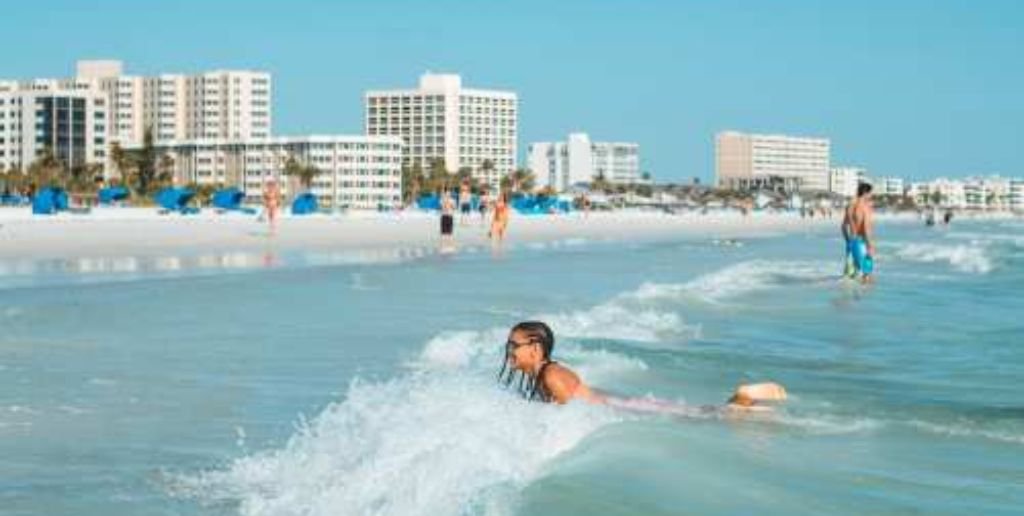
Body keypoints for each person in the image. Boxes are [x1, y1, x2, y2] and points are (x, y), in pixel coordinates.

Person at [498, 321, 788, 411]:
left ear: (535, 349)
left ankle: (741, 401)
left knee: (699, 415)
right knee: (696, 413)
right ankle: (740, 404)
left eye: (514, 346)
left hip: (626, 407)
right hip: (622, 402)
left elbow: (570, 415)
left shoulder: (552, 377)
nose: (509, 351)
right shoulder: (546, 373)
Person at [841, 182, 876, 282]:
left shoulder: (850, 206)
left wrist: (848, 241)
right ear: (865, 193)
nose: (871, 196)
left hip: (851, 243)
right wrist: (870, 246)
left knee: (849, 279)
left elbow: (843, 227)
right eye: (870, 193)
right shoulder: (865, 207)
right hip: (861, 244)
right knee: (867, 278)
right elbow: (866, 228)